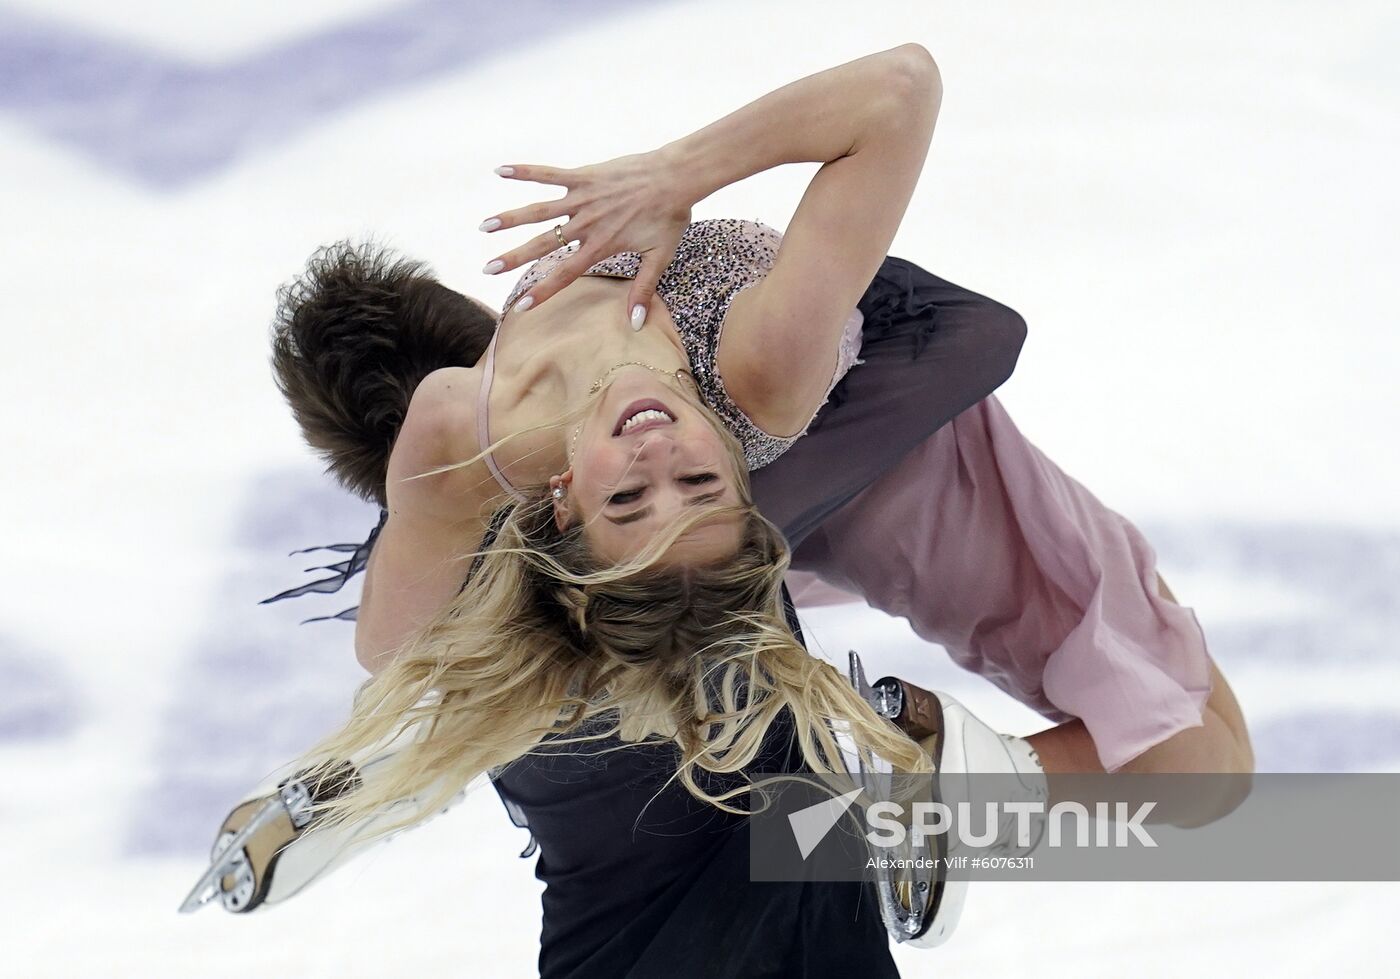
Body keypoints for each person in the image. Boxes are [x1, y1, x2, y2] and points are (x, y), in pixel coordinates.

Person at [258, 43, 1249, 977]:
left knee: (1197, 768)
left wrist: (404, 734)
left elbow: (396, 639)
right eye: (677, 480)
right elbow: (894, 93)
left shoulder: (475, 429)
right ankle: (935, 798)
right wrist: (679, 174)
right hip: (879, 455)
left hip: (756, 510)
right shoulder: (746, 376)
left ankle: (895, 794)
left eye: (643, 483)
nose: (653, 447)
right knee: (1202, 769)